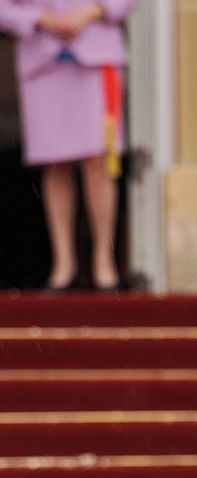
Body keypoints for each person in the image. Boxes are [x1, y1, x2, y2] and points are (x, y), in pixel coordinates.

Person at [0, 0, 134, 291]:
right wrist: (41, 18)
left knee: (99, 159)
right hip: (43, 60)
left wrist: (92, 10)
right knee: (55, 161)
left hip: (97, 57)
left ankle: (104, 262)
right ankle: (64, 264)